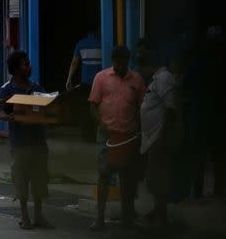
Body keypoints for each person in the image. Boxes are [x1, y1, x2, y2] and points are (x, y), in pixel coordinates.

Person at [88, 45, 146, 231]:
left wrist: (139, 129)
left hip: (128, 135)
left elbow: (141, 107)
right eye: (117, 62)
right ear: (113, 61)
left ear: (127, 62)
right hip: (107, 134)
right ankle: (99, 218)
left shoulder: (136, 80)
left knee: (127, 177)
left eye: (123, 63)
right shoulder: (101, 78)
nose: (120, 66)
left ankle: (128, 218)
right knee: (104, 174)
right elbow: (93, 105)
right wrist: (101, 123)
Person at [0, 51, 55, 230]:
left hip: (38, 140)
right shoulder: (7, 89)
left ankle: (39, 216)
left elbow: (48, 107)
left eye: (29, 63)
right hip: (20, 142)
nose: (29, 67)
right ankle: (24, 217)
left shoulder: (37, 87)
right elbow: (0, 112)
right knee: (22, 180)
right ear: (16, 68)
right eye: (25, 64)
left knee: (39, 179)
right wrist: (10, 117)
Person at [138, 53, 178, 232]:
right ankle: (157, 211)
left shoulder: (164, 78)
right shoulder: (156, 79)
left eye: (142, 68)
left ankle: (162, 219)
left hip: (158, 138)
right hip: (151, 138)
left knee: (158, 178)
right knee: (153, 177)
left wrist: (162, 135)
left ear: (149, 66)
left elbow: (170, 108)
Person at [66, 28, 103, 141]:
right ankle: (100, 134)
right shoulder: (104, 42)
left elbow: (74, 63)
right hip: (101, 83)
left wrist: (69, 79)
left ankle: (87, 136)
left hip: (86, 83)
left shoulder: (81, 44)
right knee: (100, 109)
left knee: (85, 109)